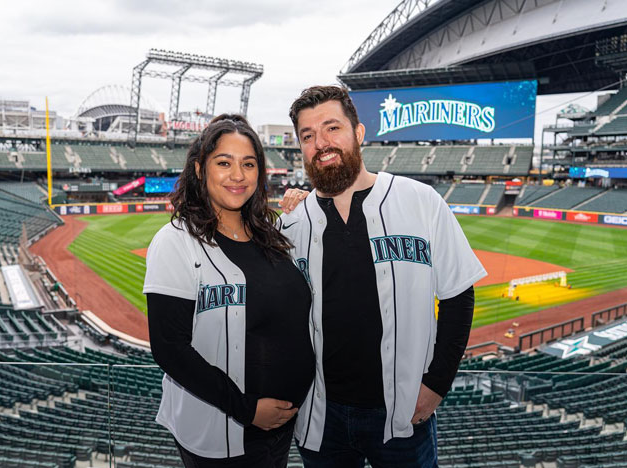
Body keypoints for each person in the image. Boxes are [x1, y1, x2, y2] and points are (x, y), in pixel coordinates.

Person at [279, 86, 487, 468]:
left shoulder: (420, 201)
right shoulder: (290, 225)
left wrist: (436, 386)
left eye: (332, 128)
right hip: (320, 417)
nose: (321, 143)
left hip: (404, 414)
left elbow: (458, 294)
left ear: (358, 133)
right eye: (308, 136)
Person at [143, 114, 315, 467]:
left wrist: (303, 202)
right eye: (224, 162)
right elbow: (169, 348)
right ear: (200, 168)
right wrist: (247, 409)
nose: (238, 175)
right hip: (222, 431)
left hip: (282, 428)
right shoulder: (175, 241)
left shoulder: (274, 233)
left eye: (248, 164)